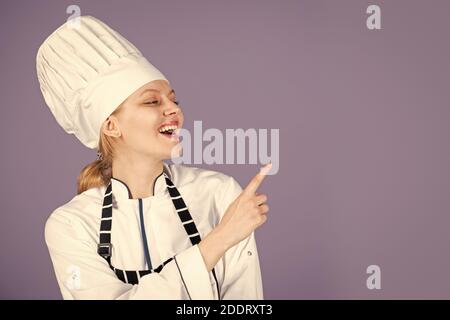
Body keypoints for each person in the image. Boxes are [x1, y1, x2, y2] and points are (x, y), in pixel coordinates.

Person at [36, 15, 270, 300]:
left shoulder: (219, 195)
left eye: (174, 99)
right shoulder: (71, 225)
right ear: (111, 125)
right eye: (152, 101)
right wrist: (219, 240)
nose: (174, 110)